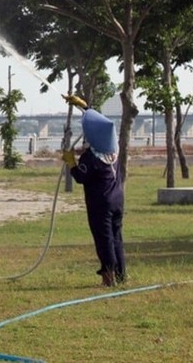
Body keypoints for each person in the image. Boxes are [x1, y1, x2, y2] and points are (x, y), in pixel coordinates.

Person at [61, 95, 126, 287]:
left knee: (104, 238)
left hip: (101, 204)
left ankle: (109, 277)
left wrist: (71, 163)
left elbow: (81, 177)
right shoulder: (113, 150)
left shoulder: (91, 157)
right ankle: (121, 274)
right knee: (116, 237)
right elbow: (101, 123)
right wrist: (86, 108)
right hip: (117, 200)